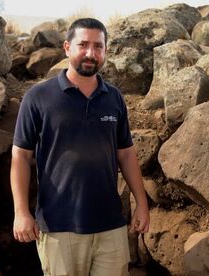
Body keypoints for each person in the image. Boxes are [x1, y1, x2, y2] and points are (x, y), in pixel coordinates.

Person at [10, 18, 150, 276]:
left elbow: (126, 153)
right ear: (67, 47)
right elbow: (20, 155)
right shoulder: (38, 97)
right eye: (83, 45)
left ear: (105, 51)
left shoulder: (114, 98)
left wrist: (141, 202)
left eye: (98, 46)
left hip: (110, 226)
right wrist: (21, 212)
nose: (90, 53)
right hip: (58, 228)